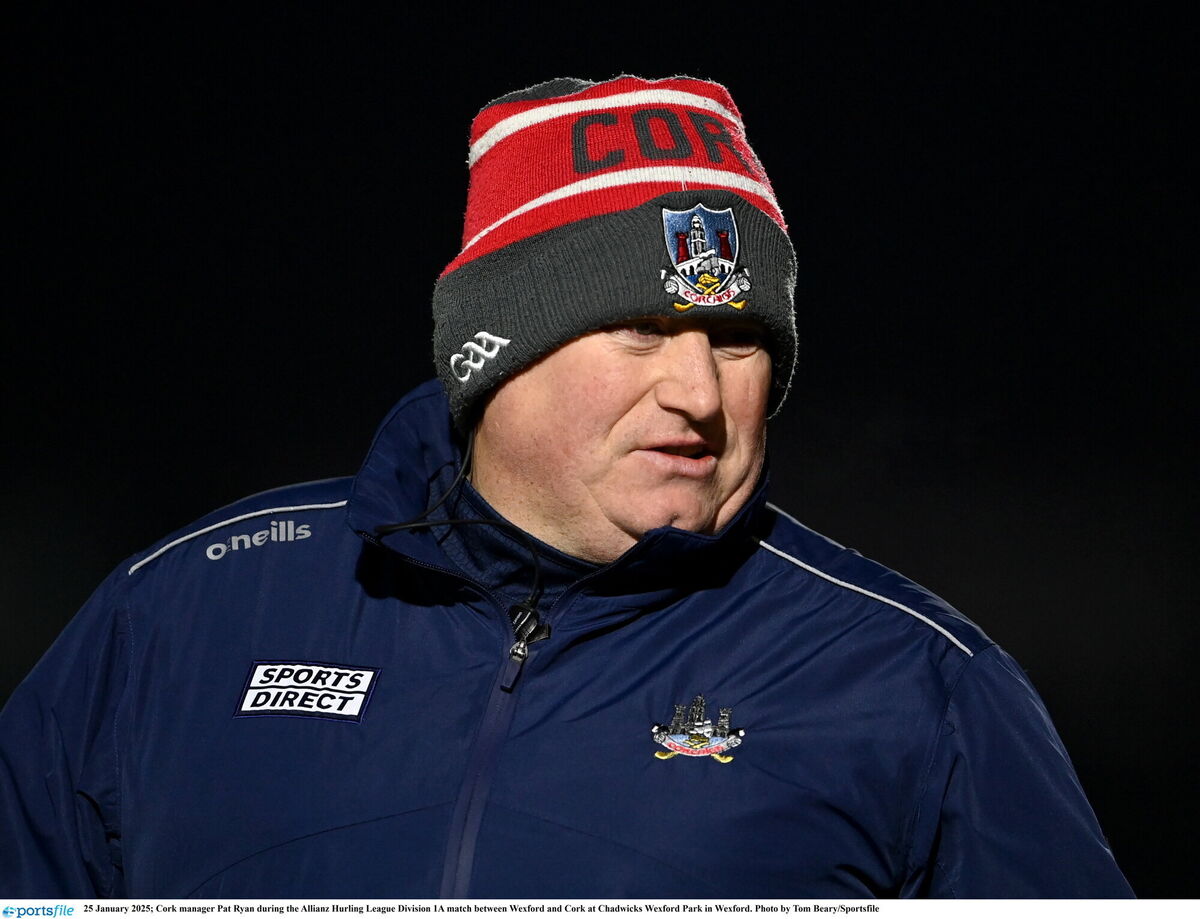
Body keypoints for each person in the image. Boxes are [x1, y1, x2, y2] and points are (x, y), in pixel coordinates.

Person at [0, 76, 1132, 898]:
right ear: (497, 348)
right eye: (643, 331)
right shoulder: (185, 611)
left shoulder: (919, 684)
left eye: (740, 344)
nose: (700, 390)